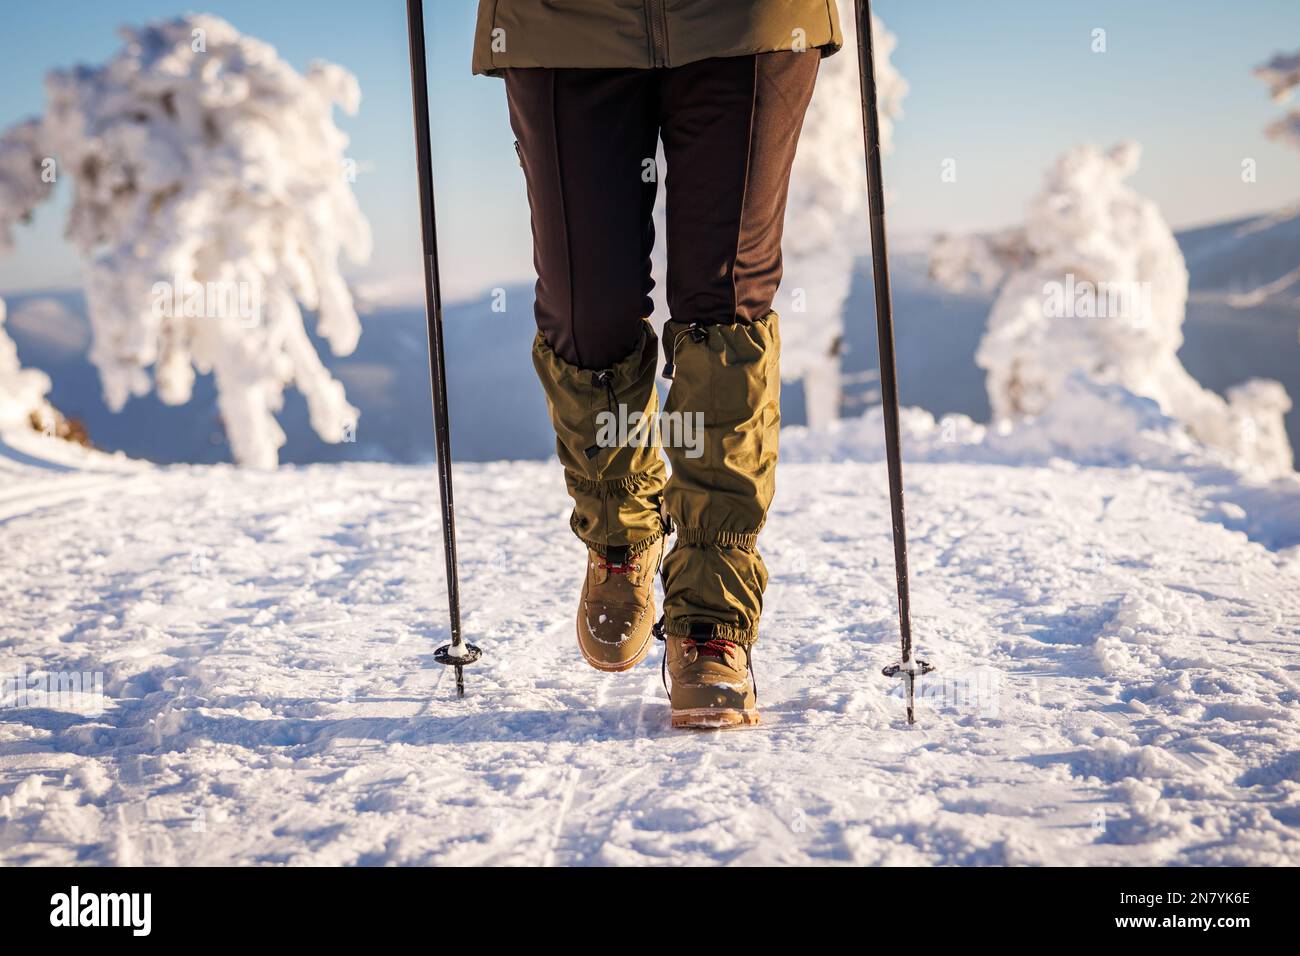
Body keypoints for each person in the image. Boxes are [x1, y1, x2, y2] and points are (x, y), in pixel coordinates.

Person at [473, 1, 843, 728]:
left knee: (724, 302)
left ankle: (712, 617)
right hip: (562, 20)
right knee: (588, 305)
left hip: (751, 20)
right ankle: (621, 531)